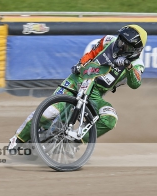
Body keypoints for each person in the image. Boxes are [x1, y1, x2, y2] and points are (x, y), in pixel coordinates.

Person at [8, 24, 147, 151]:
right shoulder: (108, 40)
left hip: (95, 94)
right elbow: (91, 53)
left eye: (126, 45)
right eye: (120, 40)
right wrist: (81, 64)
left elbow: (135, 84)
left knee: (110, 119)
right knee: (49, 113)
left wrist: (128, 66)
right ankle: (18, 139)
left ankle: (73, 142)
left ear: (136, 50)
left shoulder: (137, 64)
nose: (120, 45)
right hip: (79, 79)